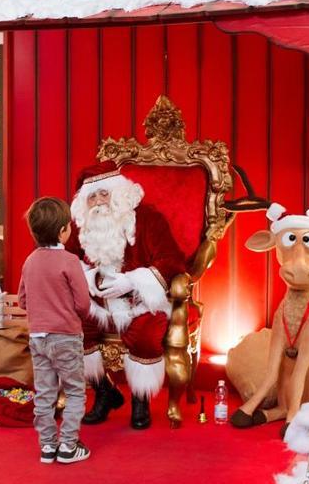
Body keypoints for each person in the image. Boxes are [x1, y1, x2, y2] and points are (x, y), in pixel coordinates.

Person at [67, 161, 185, 430]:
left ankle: (140, 400)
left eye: (104, 194)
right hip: (96, 301)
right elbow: (69, 260)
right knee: (74, 329)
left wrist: (131, 280)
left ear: (119, 193)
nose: (98, 202)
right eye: (92, 197)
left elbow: (172, 261)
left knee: (145, 334)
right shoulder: (81, 227)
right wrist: (88, 277)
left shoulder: (148, 219)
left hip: (139, 301)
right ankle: (104, 392)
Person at [18, 197, 92, 464]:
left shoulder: (30, 261)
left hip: (38, 337)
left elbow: (23, 300)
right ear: (63, 230)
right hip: (66, 338)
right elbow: (83, 303)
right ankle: (69, 446)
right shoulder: (70, 261)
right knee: (74, 391)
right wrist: (75, 314)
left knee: (45, 393)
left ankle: (48, 446)